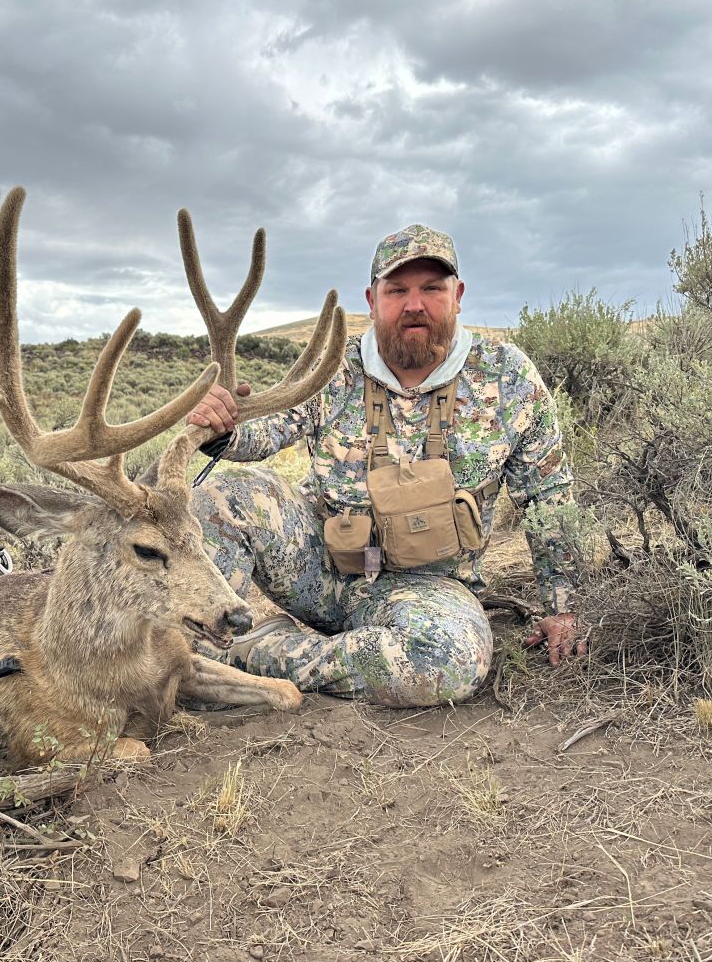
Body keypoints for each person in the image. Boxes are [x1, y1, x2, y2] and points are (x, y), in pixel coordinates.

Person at [186, 225, 584, 707]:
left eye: (431, 289)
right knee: (224, 497)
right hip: (322, 569)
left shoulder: (506, 377)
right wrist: (224, 425)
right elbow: (266, 431)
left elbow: (549, 498)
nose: (414, 305)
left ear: (457, 296)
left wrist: (562, 608)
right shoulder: (334, 367)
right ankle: (196, 650)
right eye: (397, 291)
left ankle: (251, 658)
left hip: (430, 591)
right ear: (372, 300)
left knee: (448, 661)